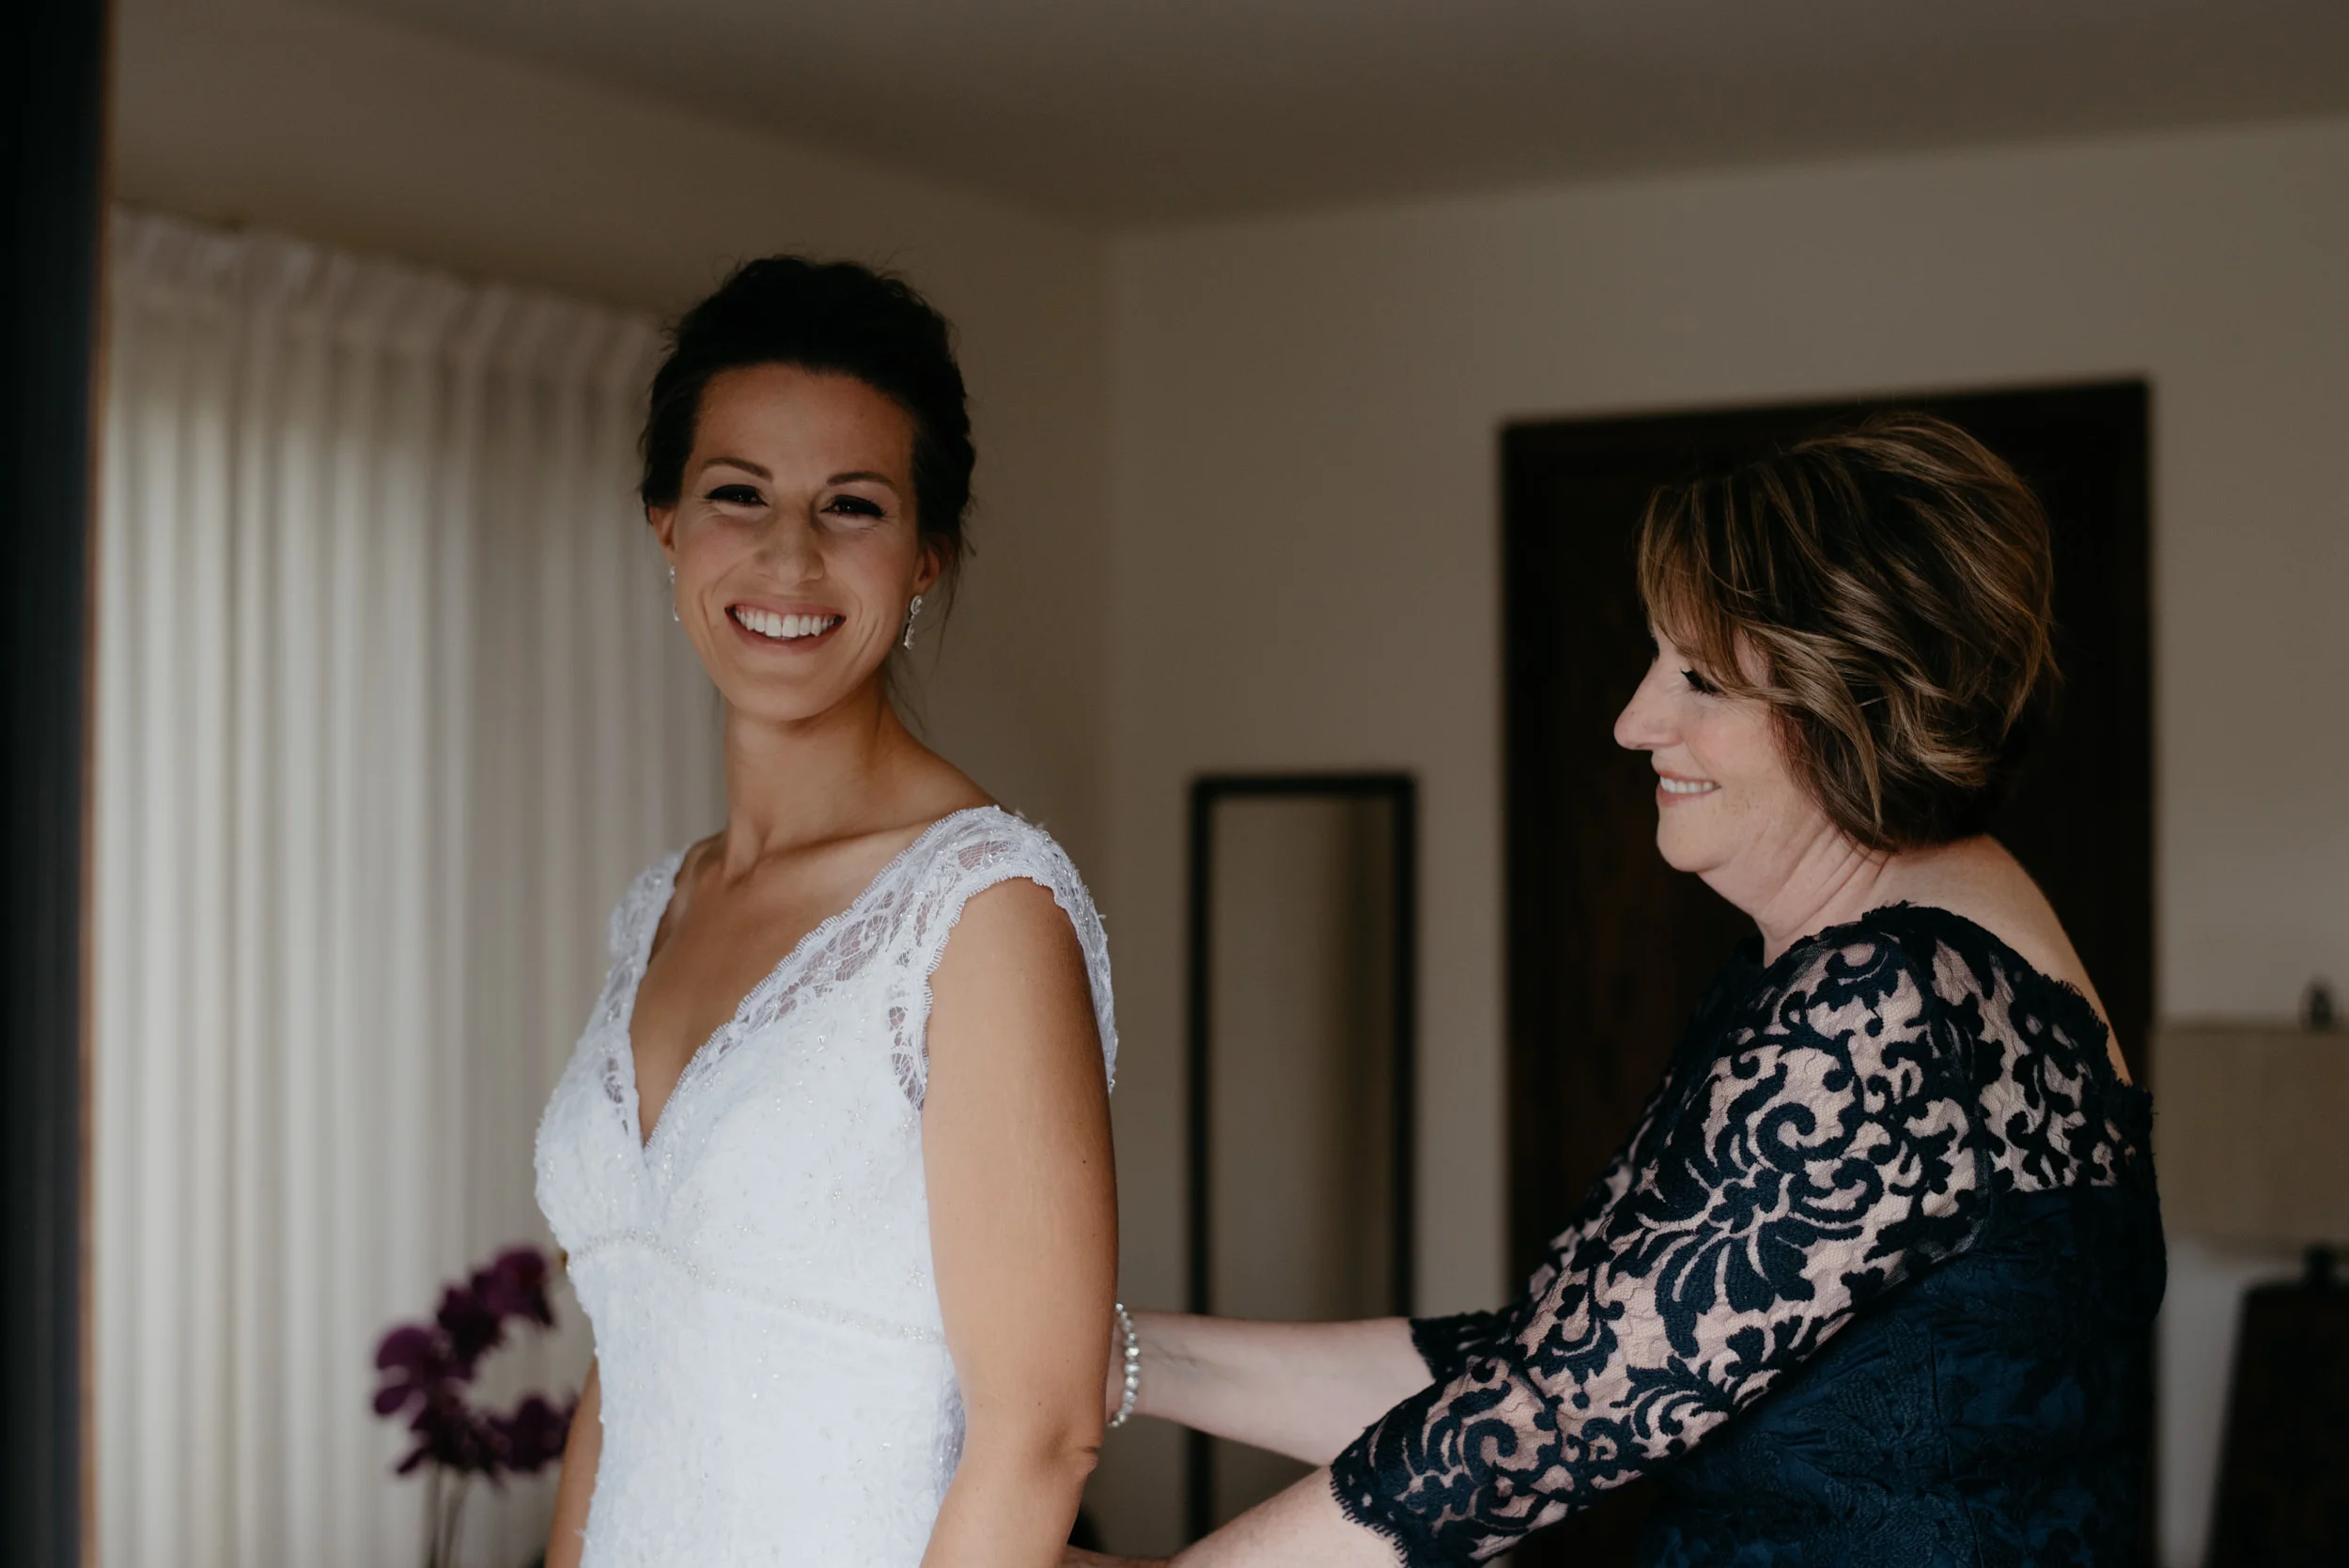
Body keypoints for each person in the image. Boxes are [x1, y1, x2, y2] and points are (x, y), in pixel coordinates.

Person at [1074, 414, 2162, 1567]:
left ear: (1858, 698)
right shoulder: (1898, 959)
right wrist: (1120, 1357)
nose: (1634, 721)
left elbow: (1537, 1427)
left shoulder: (1882, 1003)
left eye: (1698, 678)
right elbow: (1570, 1356)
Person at [535, 256, 1120, 1567]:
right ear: (667, 529)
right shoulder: (661, 909)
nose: (788, 554)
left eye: (850, 507)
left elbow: (1042, 1433)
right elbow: (626, 1362)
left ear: (926, 557)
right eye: (738, 494)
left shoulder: (980, 907)